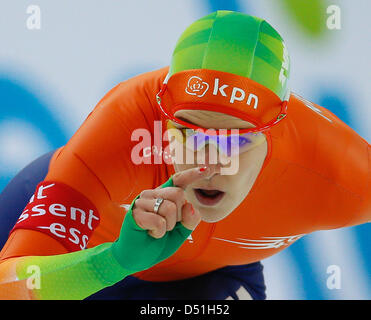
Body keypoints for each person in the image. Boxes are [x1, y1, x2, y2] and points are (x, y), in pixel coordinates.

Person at [0, 10, 369, 300]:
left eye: (236, 139)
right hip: (79, 261)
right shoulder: (123, 127)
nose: (208, 162)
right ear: (163, 114)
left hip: (205, 284)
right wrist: (113, 262)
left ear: (276, 131)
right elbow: (8, 289)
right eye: (189, 131)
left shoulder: (334, 165)